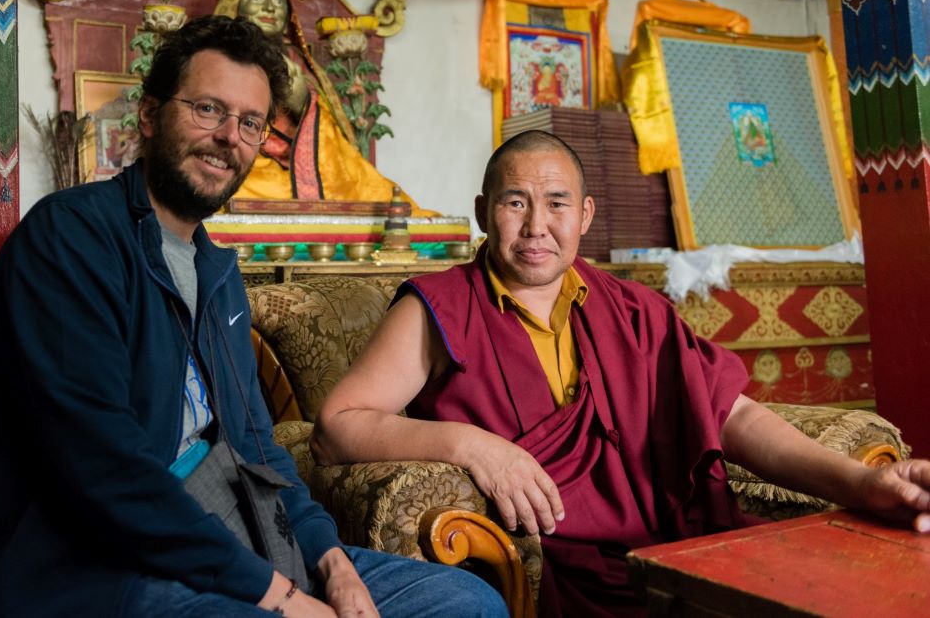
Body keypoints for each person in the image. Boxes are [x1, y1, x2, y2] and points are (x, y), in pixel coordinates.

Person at [0, 15, 506, 618]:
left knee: (463, 601)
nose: (229, 137)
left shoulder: (217, 272)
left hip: (230, 539)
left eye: (249, 123)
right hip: (89, 564)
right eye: (208, 109)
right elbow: (103, 473)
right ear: (149, 114)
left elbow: (257, 450)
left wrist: (331, 565)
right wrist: (284, 599)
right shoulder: (70, 239)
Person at [310, 129, 930, 617]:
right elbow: (335, 428)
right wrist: (472, 446)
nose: (535, 227)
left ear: (584, 215)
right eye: (514, 202)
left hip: (669, 552)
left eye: (555, 204)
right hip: (549, 564)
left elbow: (730, 414)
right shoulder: (440, 307)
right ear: (482, 211)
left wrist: (857, 484)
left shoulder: (634, 309)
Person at [214, 0, 435, 215]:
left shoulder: (296, 63)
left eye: (277, 1)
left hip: (295, 165)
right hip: (242, 159)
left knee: (368, 189)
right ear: (236, 4)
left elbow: (327, 135)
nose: (269, 9)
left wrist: (303, 103)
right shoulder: (217, 62)